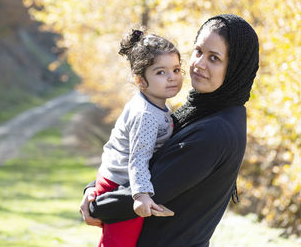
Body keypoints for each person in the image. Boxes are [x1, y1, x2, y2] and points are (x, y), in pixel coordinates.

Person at [79, 14, 259, 246]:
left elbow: (149, 192)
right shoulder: (201, 110)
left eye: (214, 58)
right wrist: (92, 189)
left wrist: (94, 204)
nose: (199, 64)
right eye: (198, 51)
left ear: (235, 68)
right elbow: (138, 156)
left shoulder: (215, 131)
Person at [93, 28, 183, 247]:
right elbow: (138, 157)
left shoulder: (155, 103)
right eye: (160, 72)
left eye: (176, 69)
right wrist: (140, 195)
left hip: (119, 178)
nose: (172, 77)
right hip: (119, 184)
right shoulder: (146, 115)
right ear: (141, 80)